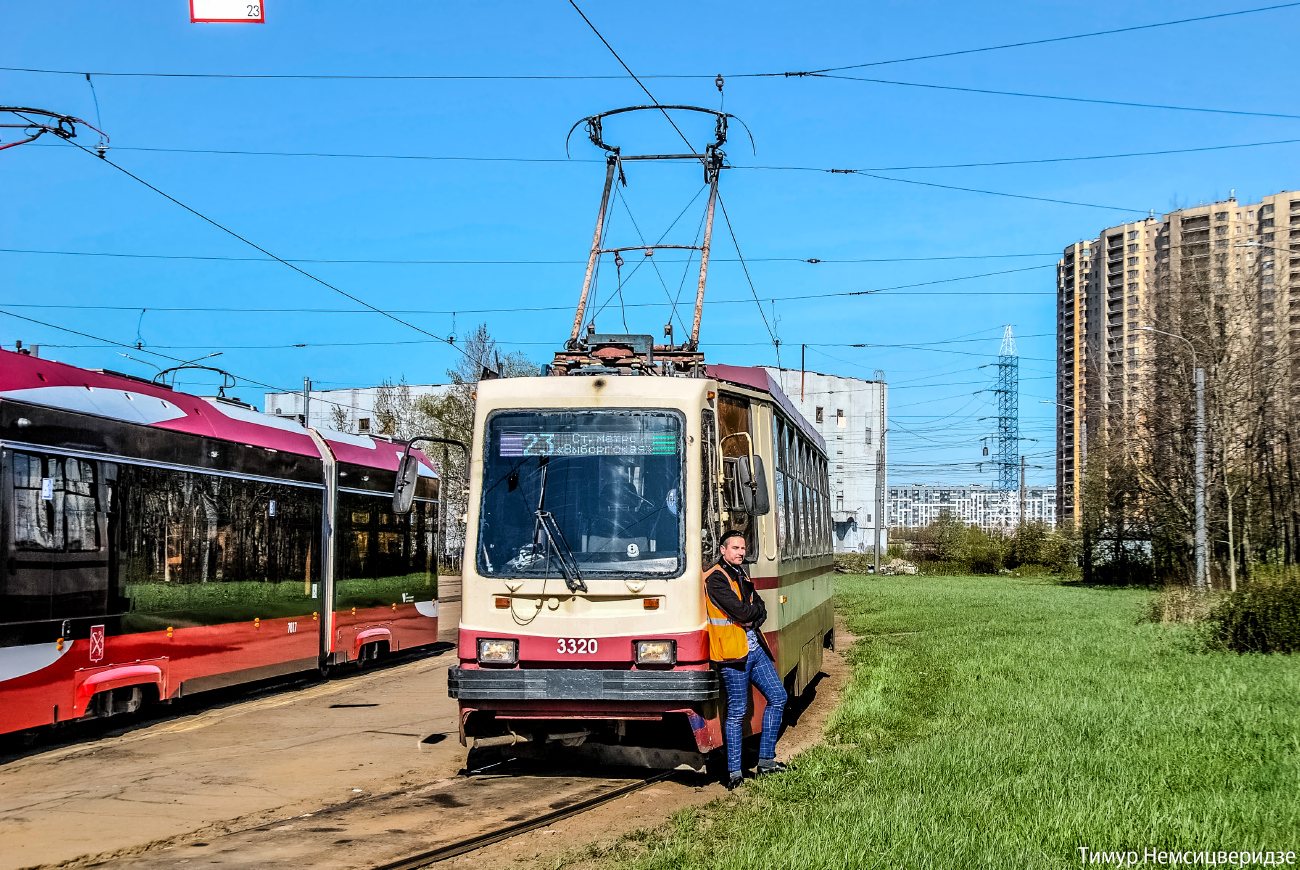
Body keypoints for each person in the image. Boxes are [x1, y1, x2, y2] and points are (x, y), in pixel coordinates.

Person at [703, 529, 788, 789]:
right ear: (722, 550)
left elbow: (759, 607)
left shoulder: (740, 573)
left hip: (755, 651)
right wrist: (752, 613)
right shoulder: (716, 579)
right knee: (737, 712)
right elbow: (741, 611)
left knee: (779, 697)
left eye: (742, 548)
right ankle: (734, 774)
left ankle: (765, 762)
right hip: (733, 655)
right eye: (735, 548)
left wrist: (753, 613)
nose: (740, 552)